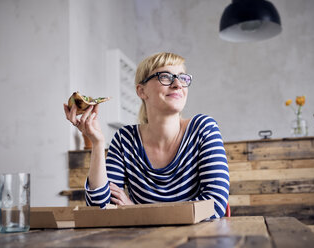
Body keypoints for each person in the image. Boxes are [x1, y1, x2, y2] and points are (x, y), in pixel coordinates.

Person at [64, 52, 230, 218]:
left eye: (182, 78)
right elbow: (100, 209)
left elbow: (214, 205)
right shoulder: (125, 139)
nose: (178, 84)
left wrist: (137, 211)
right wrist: (97, 143)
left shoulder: (203, 128)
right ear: (141, 91)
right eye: (165, 77)